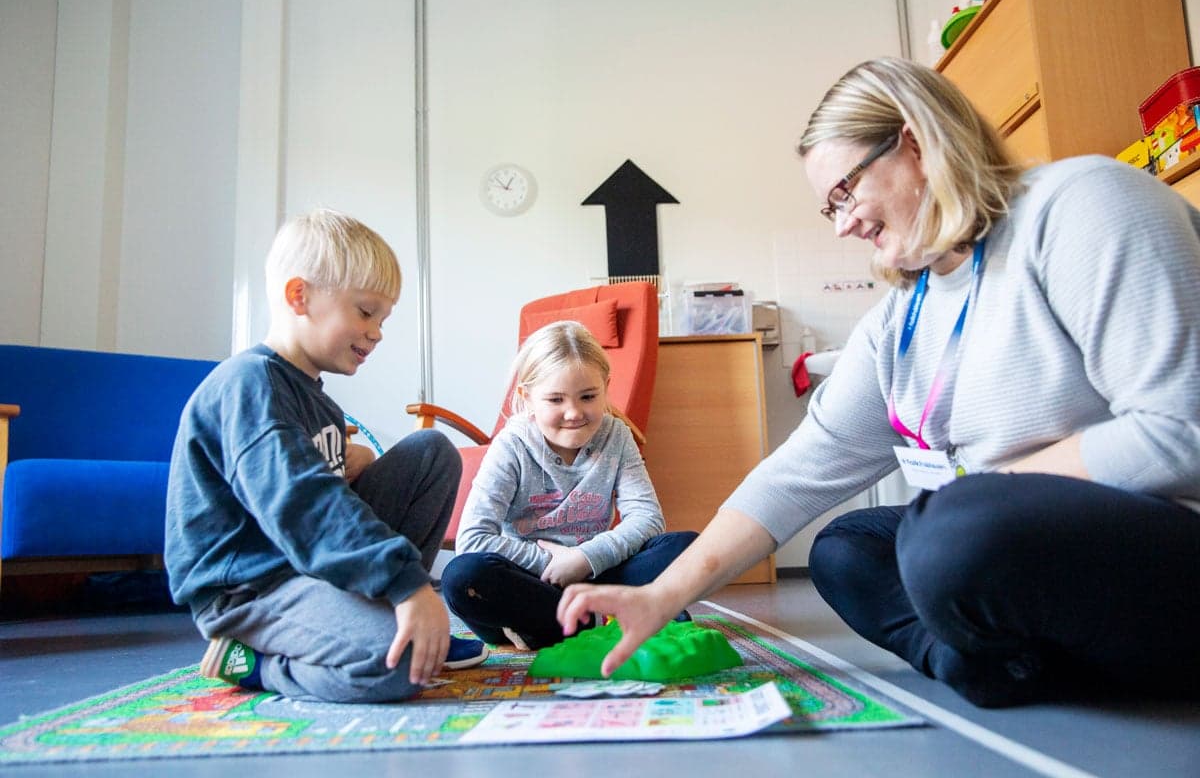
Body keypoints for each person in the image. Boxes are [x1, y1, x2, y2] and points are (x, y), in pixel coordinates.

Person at [558, 56, 1200, 708]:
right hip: (1015, 548)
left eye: (845, 192)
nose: (842, 224)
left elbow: (1182, 431)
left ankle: (1028, 649)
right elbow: (796, 475)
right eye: (827, 209)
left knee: (951, 534)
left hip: (1159, 537)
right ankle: (990, 668)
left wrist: (982, 493)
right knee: (849, 549)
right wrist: (659, 596)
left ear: (917, 144)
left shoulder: (1085, 204)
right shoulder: (903, 316)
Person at [165, 209, 488, 704]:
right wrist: (409, 586)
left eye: (383, 319)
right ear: (301, 296)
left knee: (430, 452)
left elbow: (320, 491)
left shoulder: (321, 402)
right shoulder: (249, 384)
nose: (377, 332)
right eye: (365, 312)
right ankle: (254, 661)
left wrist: (346, 465)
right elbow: (304, 504)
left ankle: (383, 616)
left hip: (304, 567)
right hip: (251, 588)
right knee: (398, 665)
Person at [441, 320, 698, 651]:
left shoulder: (617, 435)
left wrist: (583, 558)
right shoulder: (512, 446)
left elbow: (647, 519)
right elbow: (474, 539)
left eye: (588, 396)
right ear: (528, 397)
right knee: (463, 577)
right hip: (532, 581)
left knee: (688, 548)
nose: (574, 412)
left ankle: (559, 627)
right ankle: (601, 620)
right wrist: (552, 564)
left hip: (597, 572)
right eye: (555, 400)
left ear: (606, 386)